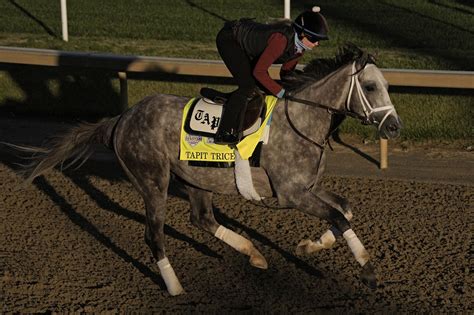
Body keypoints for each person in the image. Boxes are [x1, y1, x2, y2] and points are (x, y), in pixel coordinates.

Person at [213, 6, 329, 145]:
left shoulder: (299, 48)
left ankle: (239, 109)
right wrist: (281, 93)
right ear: (302, 33)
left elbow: (286, 73)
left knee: (263, 87)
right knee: (248, 86)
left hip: (248, 47)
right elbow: (259, 72)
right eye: (314, 38)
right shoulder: (281, 40)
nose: (317, 43)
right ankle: (224, 132)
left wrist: (301, 84)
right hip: (230, 39)